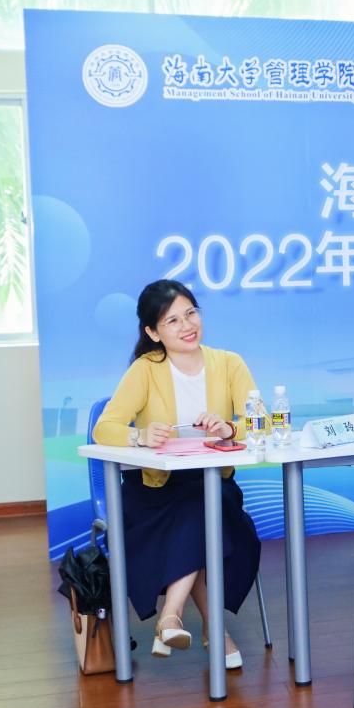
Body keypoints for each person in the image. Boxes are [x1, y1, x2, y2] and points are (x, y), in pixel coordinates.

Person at [92, 279, 260, 670]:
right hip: (154, 491)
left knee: (204, 506)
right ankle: (212, 630)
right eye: (172, 320)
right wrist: (139, 436)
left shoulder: (229, 363)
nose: (187, 325)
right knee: (201, 514)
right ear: (153, 332)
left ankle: (172, 615)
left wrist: (229, 428)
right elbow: (105, 428)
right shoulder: (145, 370)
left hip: (215, 485)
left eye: (191, 313)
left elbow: (262, 423)